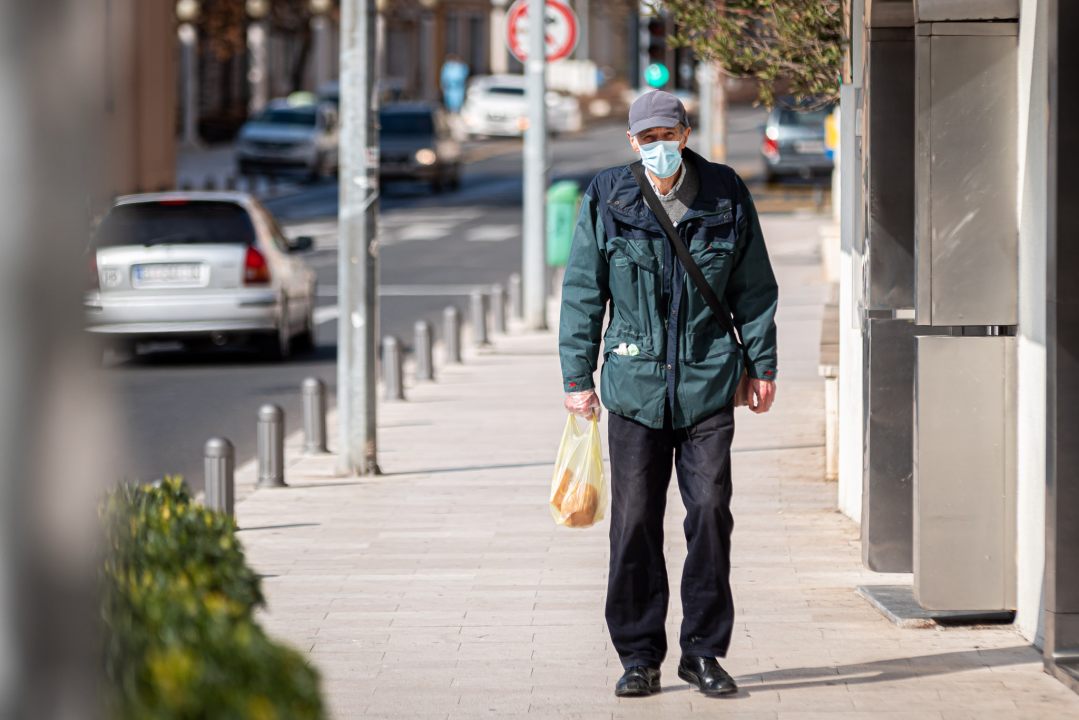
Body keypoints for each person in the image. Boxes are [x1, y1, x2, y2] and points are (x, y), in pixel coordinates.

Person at [558, 90, 778, 698]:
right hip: (634, 388)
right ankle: (638, 656)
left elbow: (755, 288)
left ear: (685, 133)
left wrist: (762, 365)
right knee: (633, 524)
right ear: (633, 141)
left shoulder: (726, 192)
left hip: (709, 384)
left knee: (709, 515)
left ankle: (702, 651)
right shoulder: (608, 196)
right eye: (646, 138)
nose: (659, 146)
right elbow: (582, 291)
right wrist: (577, 380)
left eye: (668, 134)